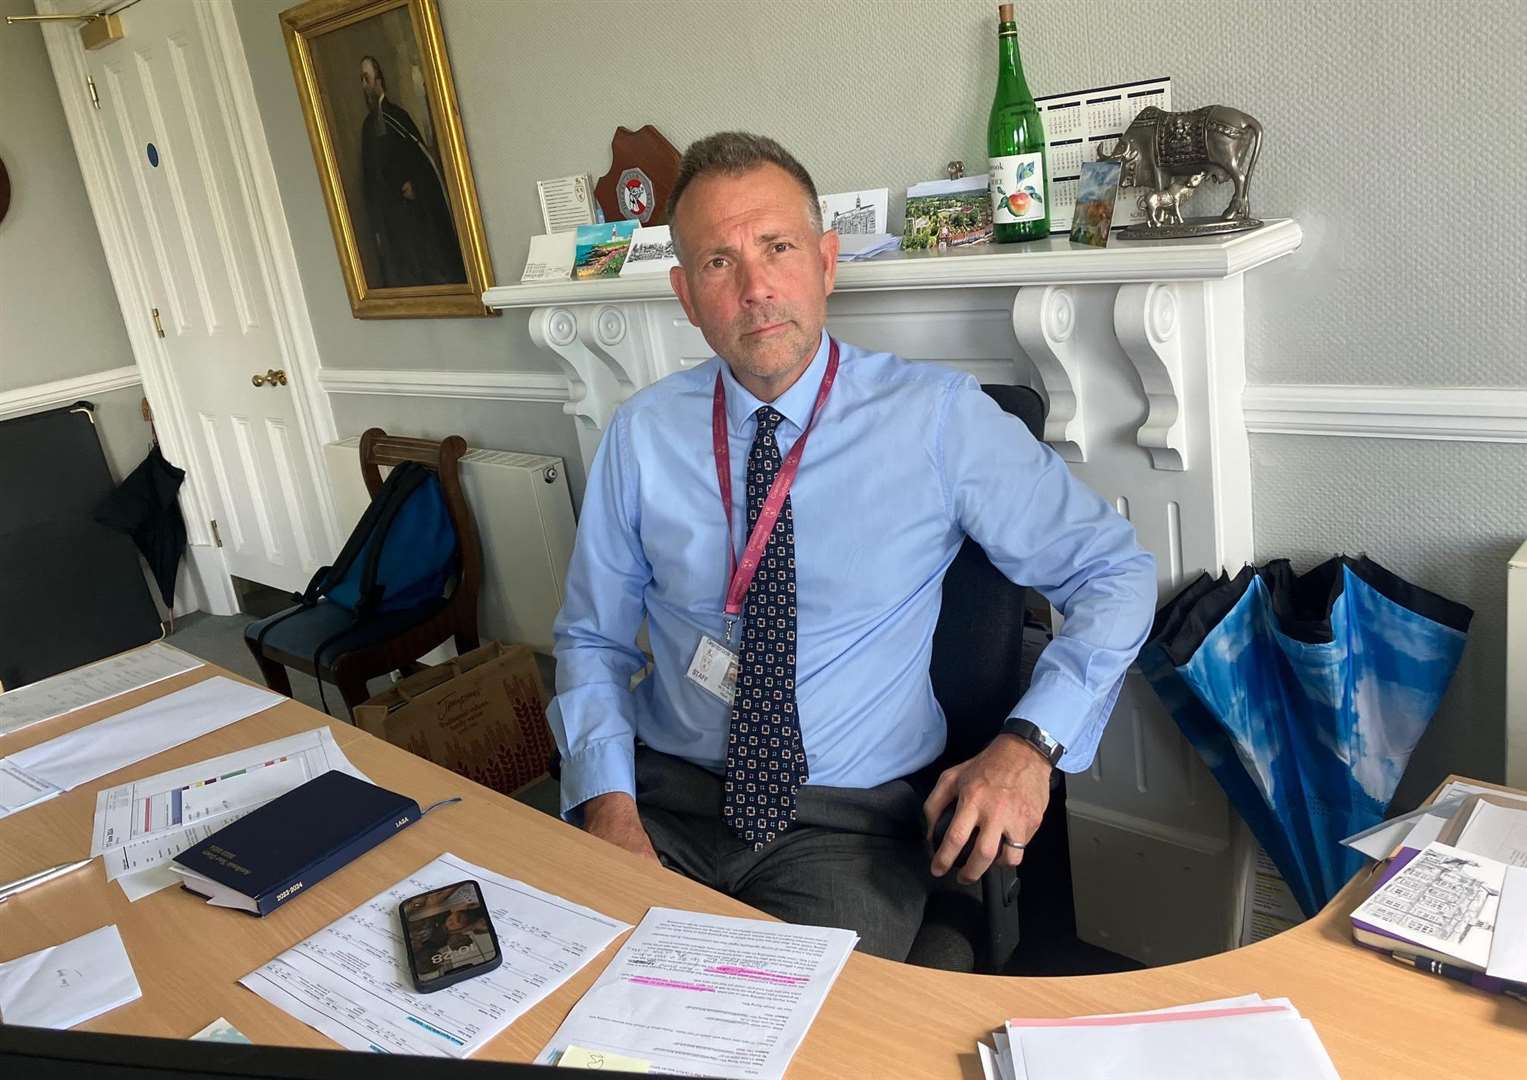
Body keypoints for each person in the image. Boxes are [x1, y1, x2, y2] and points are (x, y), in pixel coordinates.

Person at [547, 132, 1156, 962]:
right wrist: (607, 806)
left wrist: (1029, 745)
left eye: (777, 247)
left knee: (796, 1038)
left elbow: (1111, 571)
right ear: (686, 295)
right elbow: (592, 638)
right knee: (550, 986)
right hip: (661, 801)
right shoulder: (641, 435)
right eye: (719, 263)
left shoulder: (937, 419)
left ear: (826, 263)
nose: (756, 288)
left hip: (846, 826)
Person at [357, 55, 465, 287]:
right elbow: (369, 179)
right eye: (362, 80)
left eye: (367, 78)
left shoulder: (397, 117)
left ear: (379, 80)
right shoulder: (368, 127)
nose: (365, 85)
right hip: (390, 221)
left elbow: (425, 163)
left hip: (414, 215)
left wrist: (415, 184)